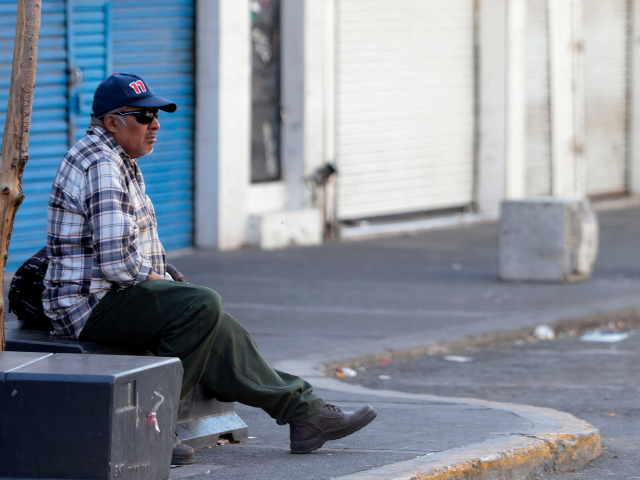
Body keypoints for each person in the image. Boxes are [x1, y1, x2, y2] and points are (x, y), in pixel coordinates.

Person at [42, 73, 376, 465]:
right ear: (112, 121)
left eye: (157, 114)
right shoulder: (102, 163)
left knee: (209, 315)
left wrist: (166, 275)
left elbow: (131, 245)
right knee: (199, 306)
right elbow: (118, 263)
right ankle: (151, 429)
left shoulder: (118, 158)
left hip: (110, 293)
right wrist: (160, 282)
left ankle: (305, 414)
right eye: (145, 115)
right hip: (88, 305)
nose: (156, 124)